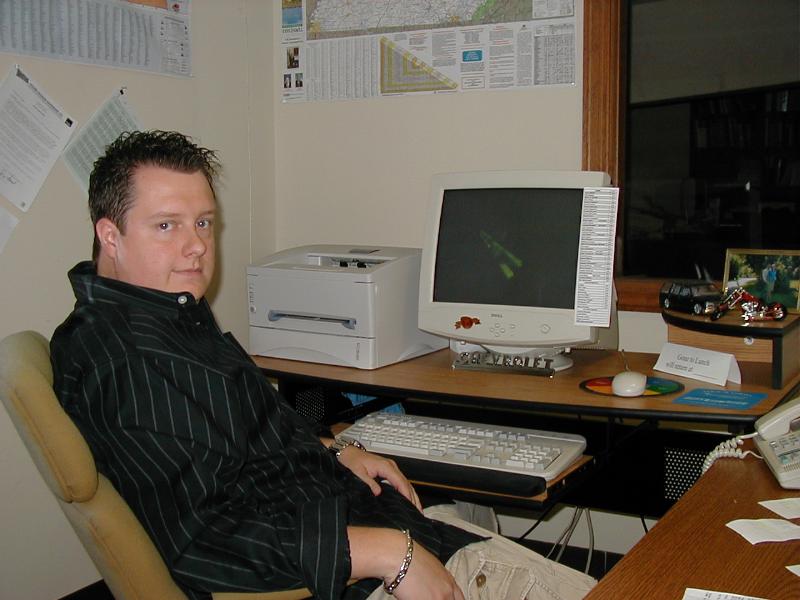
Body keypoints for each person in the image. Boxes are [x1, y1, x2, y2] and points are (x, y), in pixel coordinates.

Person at [51, 130, 595, 600]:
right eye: (167, 226)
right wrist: (391, 554)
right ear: (110, 234)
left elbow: (244, 437)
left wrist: (335, 450)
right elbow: (202, 539)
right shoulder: (129, 359)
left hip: (364, 524)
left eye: (203, 222)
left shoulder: (164, 315)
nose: (196, 247)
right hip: (361, 575)